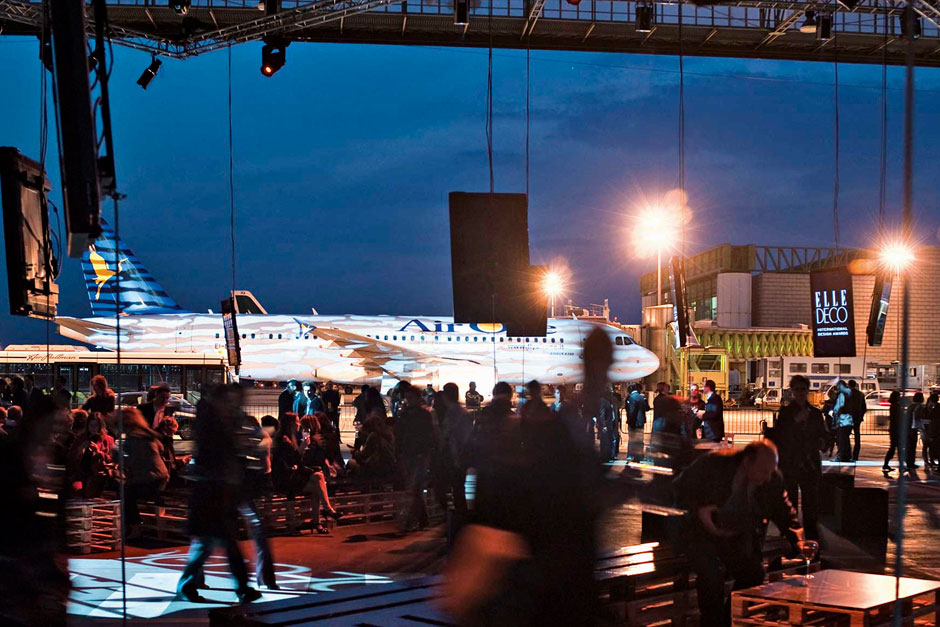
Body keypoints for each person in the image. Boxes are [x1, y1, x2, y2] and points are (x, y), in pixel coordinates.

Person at [674, 440, 802, 627]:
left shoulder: (771, 478)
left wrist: (797, 538)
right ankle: (712, 623)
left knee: (753, 573)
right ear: (747, 462)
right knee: (711, 576)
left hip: (733, 533)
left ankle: (728, 620)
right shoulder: (714, 465)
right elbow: (680, 489)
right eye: (763, 470)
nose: (767, 477)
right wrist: (699, 510)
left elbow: (783, 509)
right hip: (699, 530)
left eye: (771, 470)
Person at [177, 385, 261, 604]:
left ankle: (189, 585)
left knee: (208, 544)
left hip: (218, 491)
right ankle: (241, 587)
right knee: (221, 542)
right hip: (213, 491)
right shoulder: (213, 424)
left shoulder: (217, 421)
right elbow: (217, 456)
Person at [765, 375, 827, 540]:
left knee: (811, 506)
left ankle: (812, 540)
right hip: (791, 463)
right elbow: (779, 437)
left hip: (809, 464)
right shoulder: (786, 413)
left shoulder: (815, 413)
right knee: (789, 505)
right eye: (797, 389)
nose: (800, 393)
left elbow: (823, 435)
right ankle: (791, 540)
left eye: (803, 389)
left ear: (807, 391)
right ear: (792, 391)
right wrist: (795, 421)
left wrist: (823, 441)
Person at [395, 383, 438, 531]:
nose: (408, 400)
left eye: (411, 398)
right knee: (414, 488)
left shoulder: (422, 414)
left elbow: (429, 435)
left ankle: (413, 520)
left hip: (419, 454)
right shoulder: (407, 414)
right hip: (410, 453)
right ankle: (422, 519)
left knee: (414, 487)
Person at [122, 407, 170, 538]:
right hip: (162, 477)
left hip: (150, 480)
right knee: (128, 491)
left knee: (125, 495)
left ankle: (135, 527)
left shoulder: (133, 438)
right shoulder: (148, 434)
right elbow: (160, 449)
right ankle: (132, 526)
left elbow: (130, 462)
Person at [440, 383, 473, 522]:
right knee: (457, 488)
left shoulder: (455, 413)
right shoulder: (459, 412)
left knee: (456, 487)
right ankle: (459, 516)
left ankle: (460, 517)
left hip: (455, 456)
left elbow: (460, 437)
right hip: (456, 456)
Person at [68, 412, 116, 498]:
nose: (93, 428)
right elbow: (71, 458)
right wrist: (80, 449)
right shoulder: (81, 438)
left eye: (96, 425)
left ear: (100, 426)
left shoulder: (108, 440)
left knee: (91, 489)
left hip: (97, 475)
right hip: (80, 473)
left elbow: (111, 459)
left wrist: (98, 452)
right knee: (74, 489)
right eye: (91, 425)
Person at [829, 380, 855, 463]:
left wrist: (835, 414)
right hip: (849, 420)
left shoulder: (842, 394)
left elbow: (839, 407)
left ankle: (840, 456)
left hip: (842, 420)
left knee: (841, 440)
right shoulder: (849, 394)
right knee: (846, 440)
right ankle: (847, 456)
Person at [625, 383, 649, 462]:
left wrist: (630, 422)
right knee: (640, 439)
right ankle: (640, 455)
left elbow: (632, 411)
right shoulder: (642, 397)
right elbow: (647, 408)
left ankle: (631, 455)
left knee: (632, 440)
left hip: (634, 422)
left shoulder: (632, 398)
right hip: (641, 422)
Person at [883, 390, 903, 473]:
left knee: (894, 447)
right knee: (896, 447)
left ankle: (887, 463)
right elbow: (897, 418)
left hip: (894, 428)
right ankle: (898, 464)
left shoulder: (893, 405)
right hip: (896, 429)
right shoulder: (896, 406)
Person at [847, 380, 867, 461]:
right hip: (857, 418)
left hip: (847, 418)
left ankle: (847, 453)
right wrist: (861, 416)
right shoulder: (860, 394)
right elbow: (864, 407)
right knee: (857, 436)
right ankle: (855, 455)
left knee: (846, 436)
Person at [906, 392, 926, 472]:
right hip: (913, 428)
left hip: (908, 427)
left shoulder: (910, 406)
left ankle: (909, 462)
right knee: (912, 445)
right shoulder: (918, 406)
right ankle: (911, 462)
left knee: (909, 446)